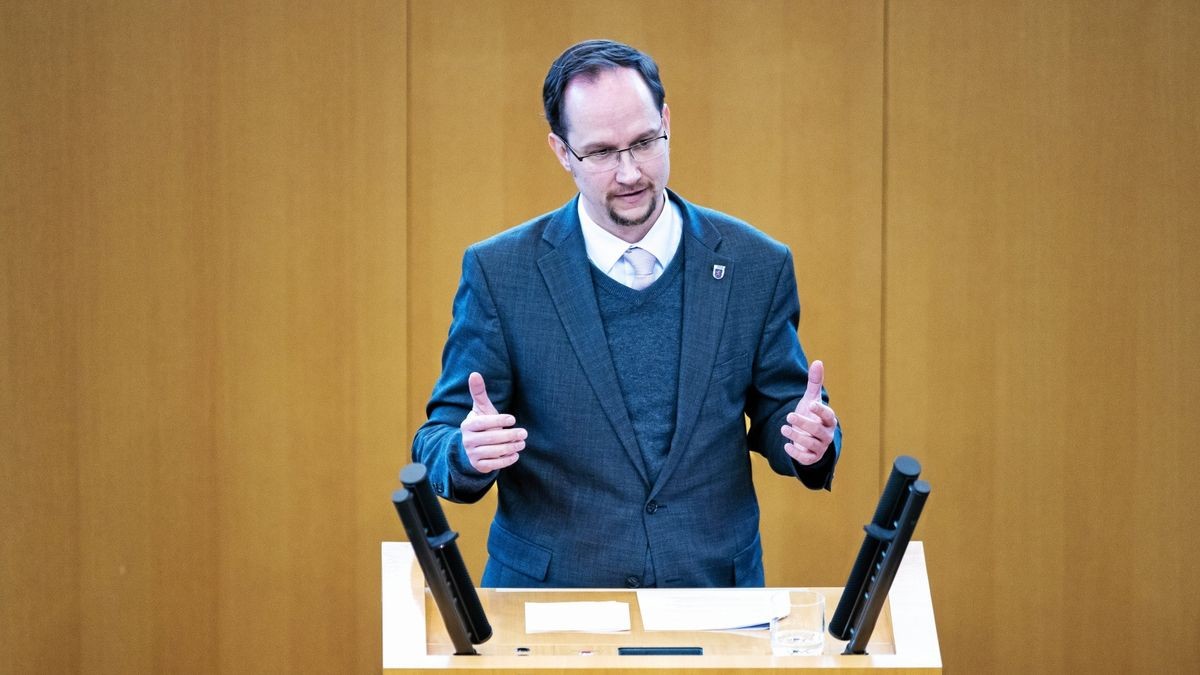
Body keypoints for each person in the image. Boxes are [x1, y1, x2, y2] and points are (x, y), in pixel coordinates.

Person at [412, 39, 841, 588]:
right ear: (562, 152)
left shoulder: (755, 264)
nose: (629, 172)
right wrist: (466, 452)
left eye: (644, 142)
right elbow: (439, 436)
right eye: (600, 152)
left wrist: (807, 437)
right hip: (552, 605)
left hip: (712, 595)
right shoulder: (502, 273)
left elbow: (783, 407)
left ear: (666, 121)